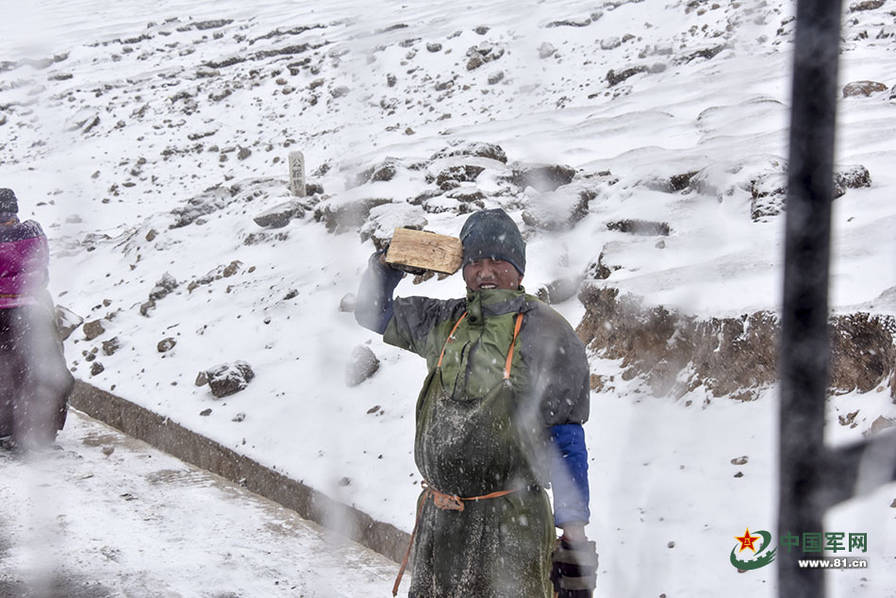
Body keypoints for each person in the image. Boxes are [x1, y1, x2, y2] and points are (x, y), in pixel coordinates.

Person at [354, 208, 597, 598]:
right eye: (475, 261)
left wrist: (574, 537)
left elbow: (566, 437)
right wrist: (387, 265)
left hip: (510, 527)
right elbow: (371, 312)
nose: (485, 271)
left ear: (519, 270)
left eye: (498, 260)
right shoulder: (444, 320)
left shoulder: (548, 331)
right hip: (441, 522)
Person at [0, 188, 72, 450]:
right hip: (32, 312)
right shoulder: (33, 232)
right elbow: (41, 271)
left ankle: (6, 428)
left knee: (6, 371)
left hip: (4, 314)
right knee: (31, 369)